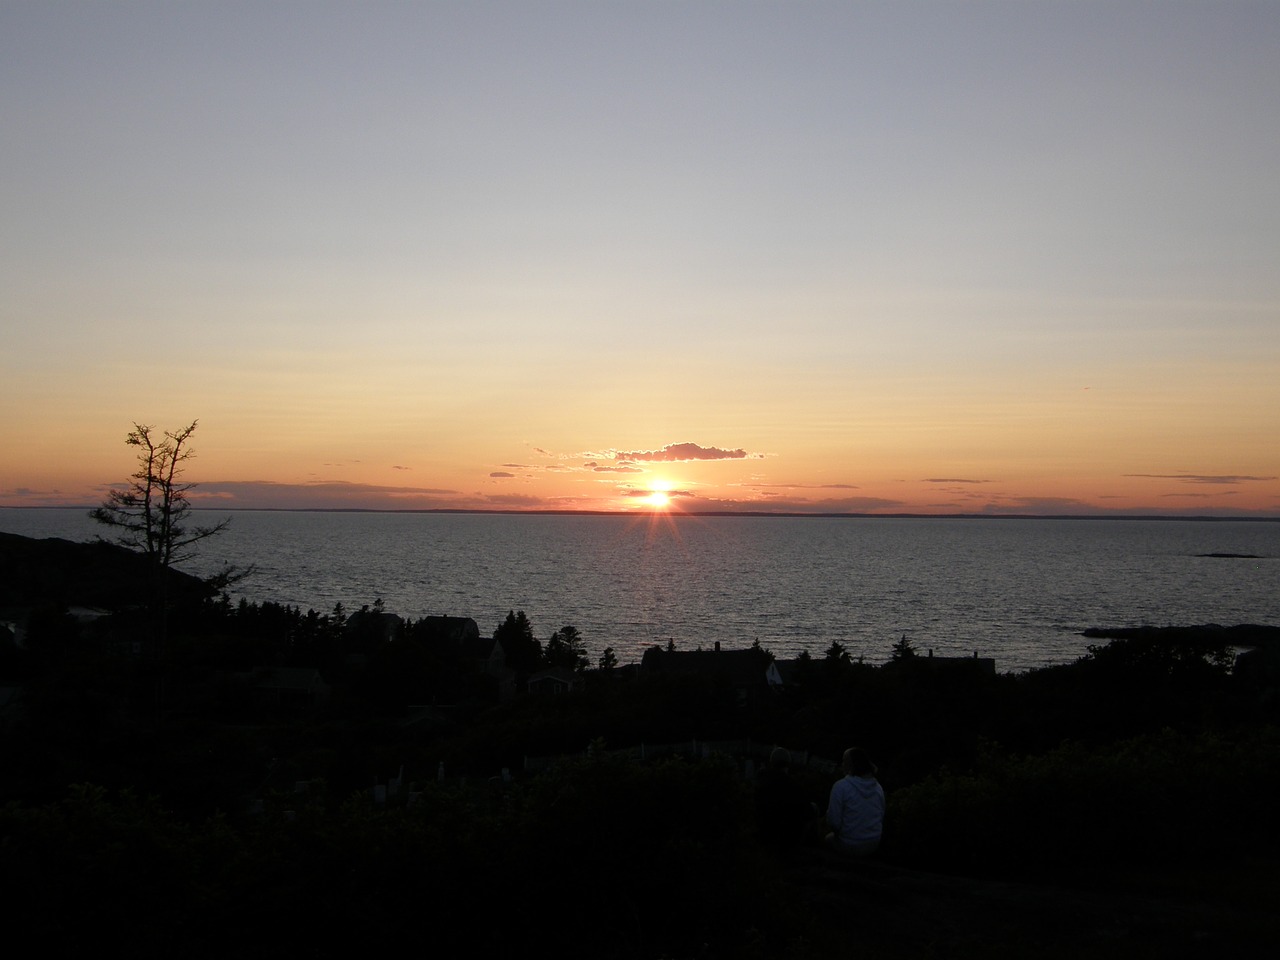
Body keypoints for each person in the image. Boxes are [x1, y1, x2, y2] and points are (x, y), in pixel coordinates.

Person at [825, 747, 884, 856]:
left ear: (850, 765)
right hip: (874, 842)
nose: (842, 764)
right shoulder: (878, 788)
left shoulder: (841, 787)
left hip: (848, 843)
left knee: (827, 839)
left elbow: (834, 823)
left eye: (844, 761)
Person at [755, 747, 815, 847]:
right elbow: (807, 814)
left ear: (771, 762)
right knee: (813, 809)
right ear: (788, 763)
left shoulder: (762, 783)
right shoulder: (795, 787)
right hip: (787, 841)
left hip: (765, 837)